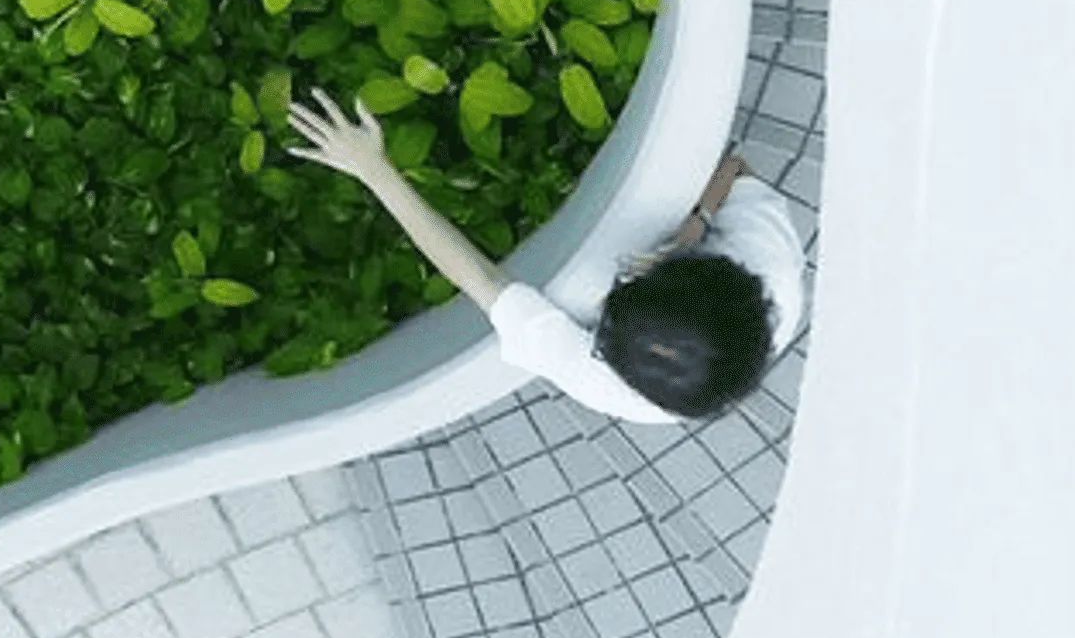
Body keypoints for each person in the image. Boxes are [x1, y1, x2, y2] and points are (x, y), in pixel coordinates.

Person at [282, 92, 806, 425]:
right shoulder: (770, 265)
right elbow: (736, 169)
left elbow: (477, 276)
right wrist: (695, 225)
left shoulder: (601, 381)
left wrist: (374, 171)